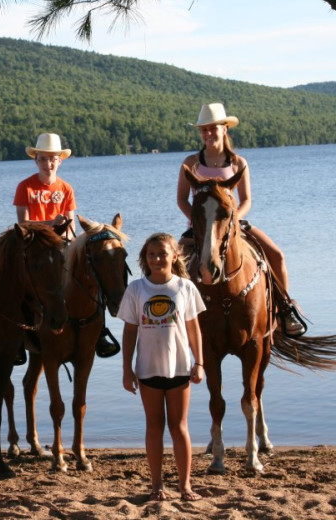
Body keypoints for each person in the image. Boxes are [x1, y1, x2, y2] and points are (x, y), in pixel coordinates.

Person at [176, 102, 306, 337]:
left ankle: (284, 311)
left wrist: (233, 221)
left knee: (277, 256)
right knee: (171, 266)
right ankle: (171, 323)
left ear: (224, 129)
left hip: (234, 225)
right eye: (203, 129)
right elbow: (182, 200)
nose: (207, 133)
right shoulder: (190, 163)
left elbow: (246, 200)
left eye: (212, 128)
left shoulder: (238, 163)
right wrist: (198, 224)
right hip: (199, 229)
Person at [13, 132, 118, 358]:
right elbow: (23, 223)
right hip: (34, 245)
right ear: (36, 160)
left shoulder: (66, 188)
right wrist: (50, 223)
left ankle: (99, 331)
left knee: (92, 275)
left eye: (52, 159)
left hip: (61, 244)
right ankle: (19, 339)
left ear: (60, 160)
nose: (48, 163)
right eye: (43, 158)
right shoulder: (26, 187)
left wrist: (70, 243)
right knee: (19, 281)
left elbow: (71, 224)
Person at [119, 233, 205, 502]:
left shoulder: (185, 288)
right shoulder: (136, 289)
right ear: (145, 258)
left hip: (179, 369)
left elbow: (194, 329)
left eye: (162, 254)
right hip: (147, 370)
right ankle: (156, 486)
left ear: (174, 256)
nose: (157, 259)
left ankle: (185, 485)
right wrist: (126, 369)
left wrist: (199, 362)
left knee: (179, 427)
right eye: (151, 255)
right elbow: (130, 332)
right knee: (154, 427)